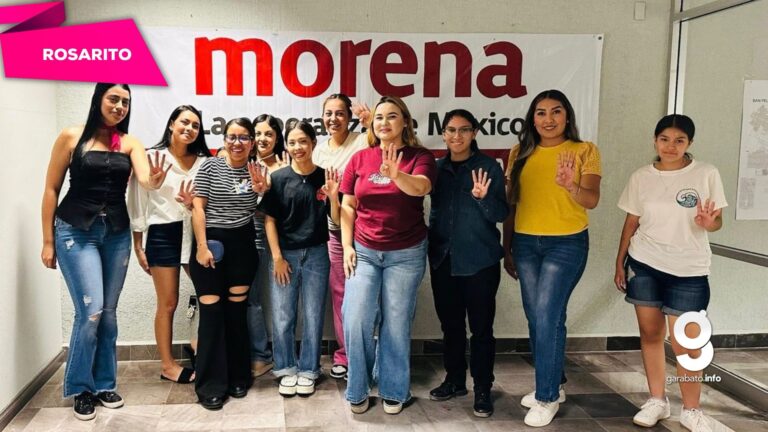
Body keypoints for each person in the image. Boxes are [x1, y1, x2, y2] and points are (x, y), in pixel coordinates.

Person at [41, 83, 168, 420]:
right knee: (91, 312)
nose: (120, 106)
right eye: (114, 99)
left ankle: (104, 384)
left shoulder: (130, 142)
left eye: (125, 101)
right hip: (75, 230)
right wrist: (48, 241)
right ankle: (80, 388)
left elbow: (145, 178)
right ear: (98, 99)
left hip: (116, 234)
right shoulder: (71, 137)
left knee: (108, 313)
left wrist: (154, 181)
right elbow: (51, 189)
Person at [614, 114, 726, 432]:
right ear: (655, 141)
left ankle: (691, 410)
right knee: (650, 334)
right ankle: (657, 401)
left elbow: (717, 221)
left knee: (687, 343)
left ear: (689, 143)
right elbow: (631, 222)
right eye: (664, 139)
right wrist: (620, 261)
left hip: (689, 270)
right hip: (644, 263)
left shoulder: (706, 173)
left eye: (679, 140)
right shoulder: (641, 176)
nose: (671, 146)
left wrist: (710, 223)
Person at [503, 89, 601, 427]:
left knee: (547, 316)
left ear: (567, 116)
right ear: (533, 119)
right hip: (526, 244)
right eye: (541, 113)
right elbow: (512, 204)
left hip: (566, 244)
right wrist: (507, 247)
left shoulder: (584, 150)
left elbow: (592, 200)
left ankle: (546, 397)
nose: (549, 119)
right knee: (539, 318)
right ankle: (554, 383)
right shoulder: (519, 152)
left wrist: (570, 185)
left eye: (556, 112)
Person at [340, 95, 437, 415]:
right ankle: (358, 387)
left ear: (405, 122)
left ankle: (394, 388)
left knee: (396, 321)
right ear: (372, 123)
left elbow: (421, 187)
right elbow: (348, 205)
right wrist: (348, 246)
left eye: (392, 116)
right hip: (365, 251)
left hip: (406, 254)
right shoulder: (360, 158)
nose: (384, 122)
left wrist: (397, 175)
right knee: (356, 317)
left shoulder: (420, 156)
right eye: (379, 117)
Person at [427, 109, 508, 417]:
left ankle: (483, 387)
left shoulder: (488, 167)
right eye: (451, 130)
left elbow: (501, 213)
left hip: (479, 262)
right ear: (444, 134)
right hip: (443, 259)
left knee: (481, 329)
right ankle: (455, 380)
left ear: (474, 133)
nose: (457, 136)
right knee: (451, 326)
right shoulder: (436, 168)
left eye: (463, 130)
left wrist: (482, 198)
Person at [127, 105, 211, 384]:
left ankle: (200, 347)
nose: (190, 129)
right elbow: (138, 202)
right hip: (163, 233)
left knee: (210, 295)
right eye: (184, 122)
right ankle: (167, 365)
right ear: (172, 123)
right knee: (168, 302)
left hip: (196, 232)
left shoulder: (205, 161)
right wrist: (138, 245)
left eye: (195, 125)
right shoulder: (152, 157)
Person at [188, 117, 268, 410]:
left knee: (236, 313)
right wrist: (201, 246)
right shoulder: (210, 167)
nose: (237, 143)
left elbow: (265, 202)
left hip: (242, 246)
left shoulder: (258, 170)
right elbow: (197, 207)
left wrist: (262, 189)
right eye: (231, 137)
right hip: (210, 244)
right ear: (224, 140)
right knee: (211, 312)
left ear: (252, 142)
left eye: (243, 137)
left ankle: (238, 376)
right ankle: (210, 384)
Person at [259, 120, 340, 396]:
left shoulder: (325, 176)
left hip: (317, 254)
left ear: (313, 143)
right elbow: (269, 221)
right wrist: (277, 258)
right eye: (292, 142)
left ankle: (308, 369)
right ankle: (285, 368)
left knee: (313, 315)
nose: (297, 147)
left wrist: (334, 197)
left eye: (303, 141)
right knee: (283, 315)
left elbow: (336, 219)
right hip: (285, 255)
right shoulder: (279, 178)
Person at [312, 93, 370, 380]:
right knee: (341, 294)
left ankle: (368, 355)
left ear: (349, 117)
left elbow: (389, 144)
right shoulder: (319, 152)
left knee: (369, 295)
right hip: (335, 231)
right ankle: (345, 355)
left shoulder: (363, 141)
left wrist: (369, 123)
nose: (333, 118)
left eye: (339, 113)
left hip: (368, 230)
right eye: (328, 113)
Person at [247, 114, 288, 379]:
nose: (262, 139)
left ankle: (264, 356)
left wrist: (278, 181)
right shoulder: (244, 162)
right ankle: (256, 354)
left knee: (275, 298)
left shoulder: (285, 165)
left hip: (272, 235)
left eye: (269, 134)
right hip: (242, 233)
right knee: (248, 298)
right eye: (258, 133)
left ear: (277, 138)